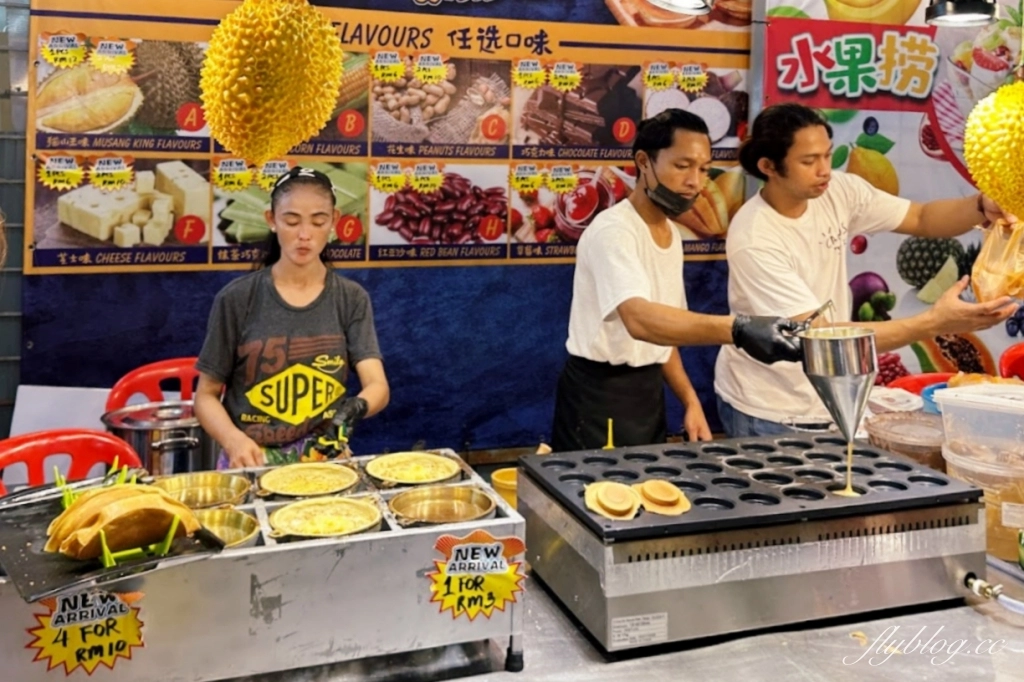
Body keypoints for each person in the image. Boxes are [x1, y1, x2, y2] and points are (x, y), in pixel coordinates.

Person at [714, 103, 1019, 437]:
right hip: (770, 407)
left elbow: (920, 218)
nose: (824, 170)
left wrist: (981, 206)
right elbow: (819, 337)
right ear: (768, 166)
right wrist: (934, 322)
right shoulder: (755, 237)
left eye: (827, 155)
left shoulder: (839, 191)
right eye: (808, 161)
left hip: (829, 394)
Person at [550, 108, 804, 453]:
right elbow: (641, 321)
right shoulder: (614, 231)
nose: (695, 182)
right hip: (598, 397)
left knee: (648, 483)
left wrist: (689, 401)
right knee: (598, 487)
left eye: (703, 169)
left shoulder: (670, 234)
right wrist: (739, 329)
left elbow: (665, 331)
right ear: (644, 162)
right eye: (682, 166)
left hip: (648, 393)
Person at [194, 167, 390, 468]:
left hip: (323, 459)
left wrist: (355, 408)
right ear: (271, 220)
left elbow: (377, 385)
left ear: (334, 221)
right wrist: (234, 441)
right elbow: (205, 396)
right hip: (251, 459)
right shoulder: (236, 298)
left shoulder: (351, 298)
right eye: (292, 221)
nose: (304, 235)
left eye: (318, 221)